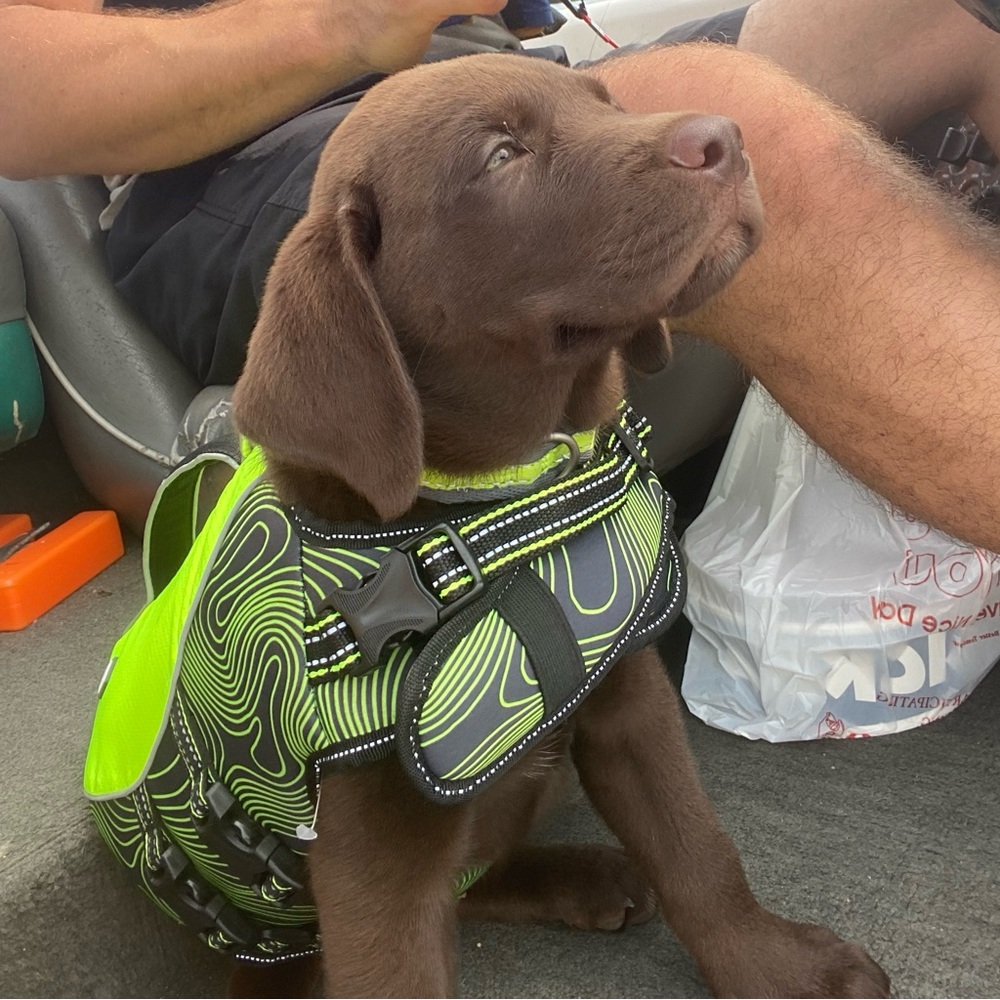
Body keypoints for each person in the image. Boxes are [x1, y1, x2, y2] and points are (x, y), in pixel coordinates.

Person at [3, 0, 1000, 553]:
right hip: (234, 160)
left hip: (493, 77)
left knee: (944, 15)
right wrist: (347, 19)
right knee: (728, 118)